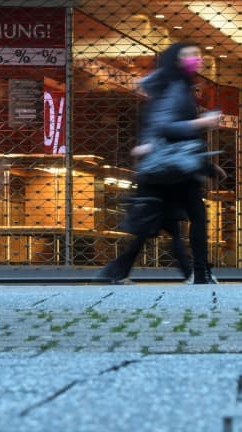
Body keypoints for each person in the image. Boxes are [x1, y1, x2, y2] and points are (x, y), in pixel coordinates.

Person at [99, 41, 221, 284]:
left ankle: (118, 271)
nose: (198, 59)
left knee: (157, 224)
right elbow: (166, 126)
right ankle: (198, 273)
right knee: (195, 216)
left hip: (166, 166)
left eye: (199, 54)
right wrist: (202, 123)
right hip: (174, 166)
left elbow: (155, 125)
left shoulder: (175, 85)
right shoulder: (175, 87)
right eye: (191, 55)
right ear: (177, 59)